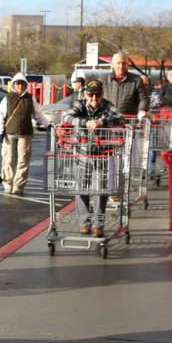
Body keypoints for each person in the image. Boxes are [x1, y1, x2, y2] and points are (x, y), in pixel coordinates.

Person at [62, 79, 123, 237]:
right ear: (85, 94)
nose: (94, 98)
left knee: (101, 190)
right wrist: (86, 122)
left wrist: (101, 122)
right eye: (90, 94)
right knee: (81, 188)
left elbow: (120, 119)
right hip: (81, 154)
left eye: (97, 95)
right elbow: (67, 117)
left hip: (102, 154)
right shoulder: (79, 104)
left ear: (102, 95)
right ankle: (84, 222)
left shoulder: (108, 106)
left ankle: (98, 224)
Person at [0, 73, 50, 195]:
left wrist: (48, 125)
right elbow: (0, 116)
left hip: (25, 134)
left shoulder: (30, 99)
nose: (20, 86)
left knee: (23, 161)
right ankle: (8, 185)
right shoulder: (7, 98)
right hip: (9, 134)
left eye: (22, 84)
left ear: (26, 85)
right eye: (17, 83)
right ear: (14, 85)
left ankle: (18, 186)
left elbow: (38, 115)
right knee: (8, 160)